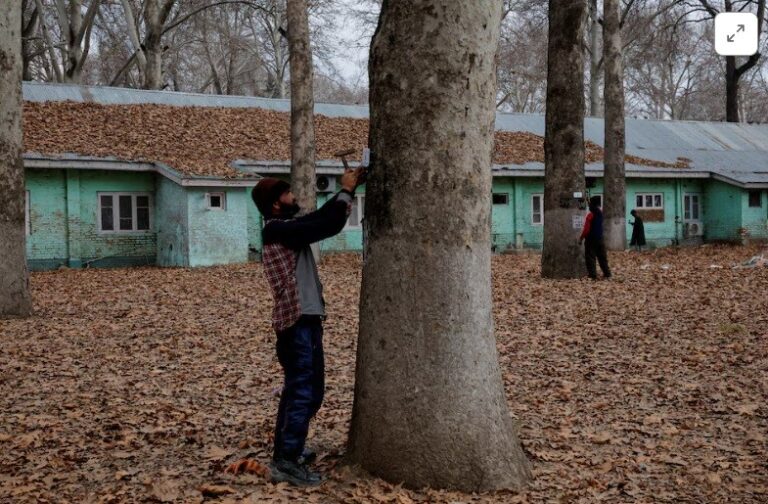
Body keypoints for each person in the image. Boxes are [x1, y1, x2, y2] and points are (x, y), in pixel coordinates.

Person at [252, 167, 363, 486]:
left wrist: (348, 191)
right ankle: (286, 461)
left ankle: (288, 452)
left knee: (308, 392)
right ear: (276, 204)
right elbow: (326, 223)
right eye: (288, 194)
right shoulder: (277, 229)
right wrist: (344, 191)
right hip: (296, 323)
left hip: (305, 321)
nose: (295, 197)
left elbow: (318, 219)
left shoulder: (288, 227)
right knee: (302, 392)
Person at [579, 195, 612, 280]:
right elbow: (593, 207)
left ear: (592, 205)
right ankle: (607, 274)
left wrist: (581, 238)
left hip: (590, 239)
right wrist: (588, 201)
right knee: (602, 257)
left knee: (590, 257)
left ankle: (592, 275)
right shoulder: (600, 213)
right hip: (600, 239)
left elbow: (586, 229)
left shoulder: (590, 215)